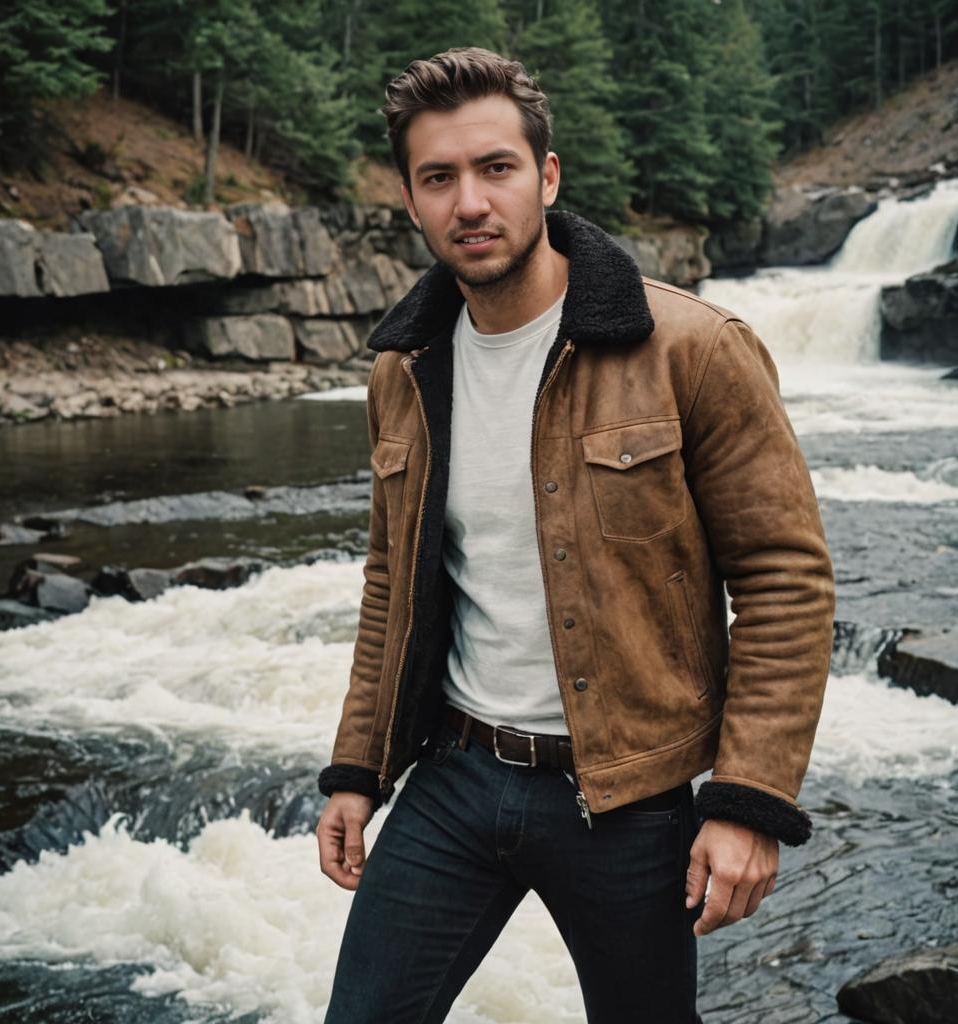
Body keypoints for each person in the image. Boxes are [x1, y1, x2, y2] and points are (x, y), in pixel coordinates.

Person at [315, 46, 835, 1024]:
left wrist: (747, 797)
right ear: (410, 198)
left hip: (628, 800)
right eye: (440, 178)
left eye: (495, 169)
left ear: (547, 177)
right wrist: (357, 770)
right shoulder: (403, 370)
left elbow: (783, 579)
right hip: (454, 779)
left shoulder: (691, 349)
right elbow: (391, 580)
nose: (469, 202)